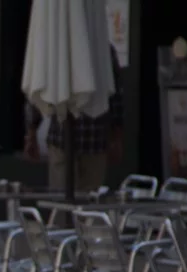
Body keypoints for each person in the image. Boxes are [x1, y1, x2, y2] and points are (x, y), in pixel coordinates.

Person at [24, 45, 124, 194]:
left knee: (63, 200)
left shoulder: (56, 45)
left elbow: (39, 89)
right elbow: (115, 97)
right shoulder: (103, 47)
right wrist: (116, 137)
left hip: (66, 136)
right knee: (88, 205)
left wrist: (31, 130)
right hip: (93, 138)